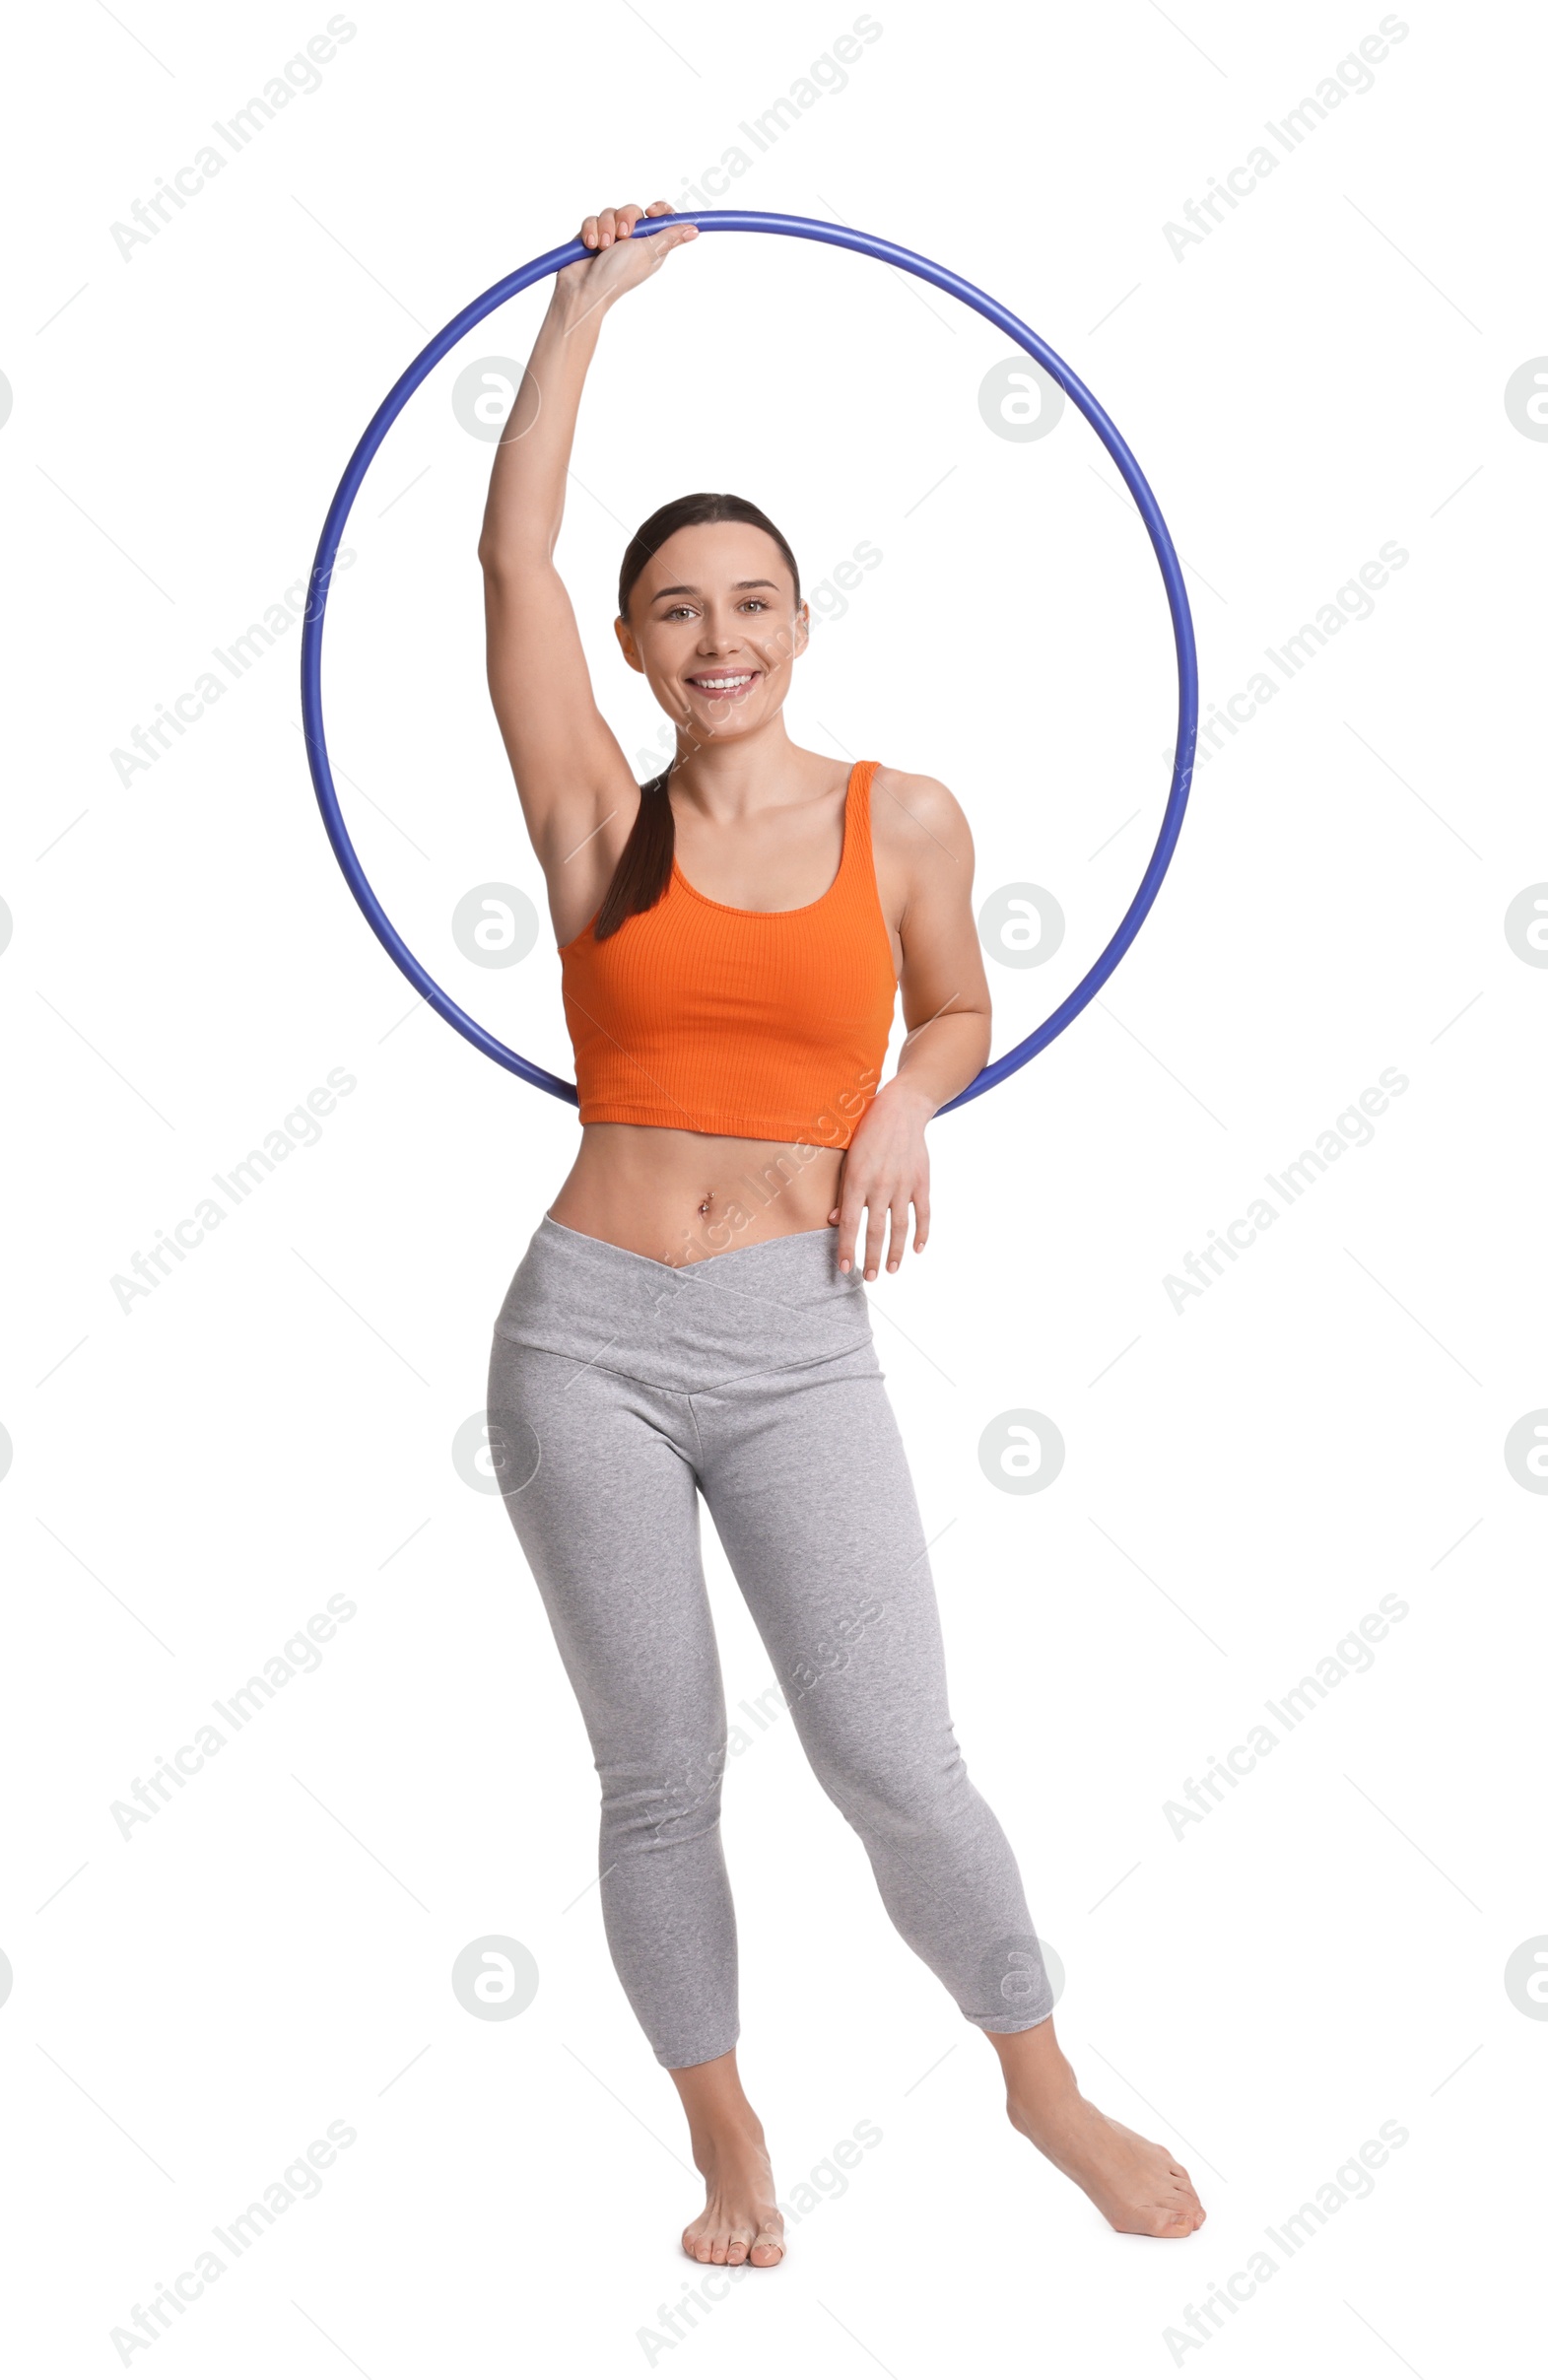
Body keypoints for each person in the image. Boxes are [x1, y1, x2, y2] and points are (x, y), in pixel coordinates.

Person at [478, 196, 1206, 2266]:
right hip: (585, 1337)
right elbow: (504, 554)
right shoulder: (587, 818)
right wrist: (580, 310)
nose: (718, 637)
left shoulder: (902, 814)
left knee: (894, 1752)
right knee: (658, 1772)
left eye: (755, 602)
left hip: (801, 1332)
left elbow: (959, 1004)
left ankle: (1039, 2079)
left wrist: (898, 1095)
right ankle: (725, 2141)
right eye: (678, 610)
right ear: (633, 646)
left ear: (802, 621)